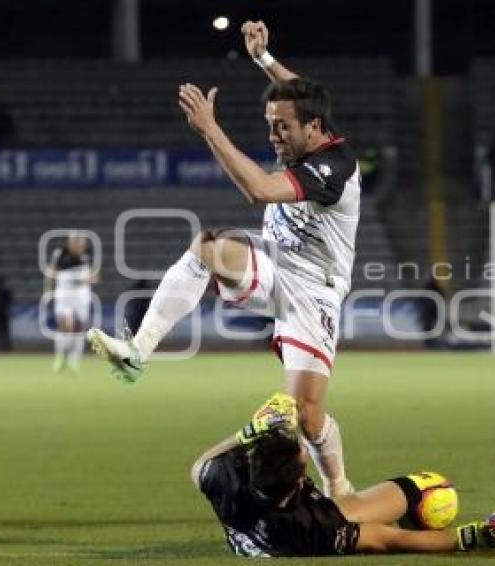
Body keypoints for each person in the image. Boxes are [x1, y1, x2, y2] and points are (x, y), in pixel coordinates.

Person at [88, 20, 360, 498]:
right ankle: (138, 352)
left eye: (283, 127)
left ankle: (339, 486)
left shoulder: (332, 167)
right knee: (209, 246)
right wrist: (262, 58)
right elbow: (301, 94)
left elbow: (259, 191)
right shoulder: (314, 123)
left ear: (314, 128)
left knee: (305, 416)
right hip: (277, 260)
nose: (274, 136)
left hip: (315, 289)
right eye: (269, 125)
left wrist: (210, 129)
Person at [191, 393, 495, 557]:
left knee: (429, 493)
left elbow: (200, 466)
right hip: (304, 527)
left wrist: (249, 431)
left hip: (263, 528)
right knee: (432, 490)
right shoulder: (317, 530)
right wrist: (476, 537)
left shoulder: (230, 480)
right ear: (299, 485)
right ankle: (352, 495)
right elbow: (393, 541)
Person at [46, 233, 98, 372]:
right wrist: (48, 289)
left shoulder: (88, 256)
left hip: (81, 296)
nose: (79, 246)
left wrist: (85, 280)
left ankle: (75, 359)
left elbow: (96, 277)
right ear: (70, 243)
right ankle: (60, 356)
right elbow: (50, 272)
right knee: (65, 325)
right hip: (64, 295)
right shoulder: (60, 254)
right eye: (75, 243)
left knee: (79, 327)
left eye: (81, 244)